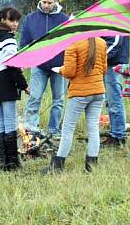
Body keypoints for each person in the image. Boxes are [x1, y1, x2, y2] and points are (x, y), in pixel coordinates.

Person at [45, 37, 107, 173]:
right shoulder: (102, 43)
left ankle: (57, 166)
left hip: (79, 93)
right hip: (98, 91)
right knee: (93, 128)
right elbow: (104, 69)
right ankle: (91, 165)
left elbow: (69, 72)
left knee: (68, 129)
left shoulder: (73, 44)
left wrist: (60, 69)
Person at [85, 0, 130, 147]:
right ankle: (115, 132)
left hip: (114, 64)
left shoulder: (114, 10)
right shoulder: (103, 10)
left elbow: (115, 42)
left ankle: (118, 136)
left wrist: (98, 59)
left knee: (114, 100)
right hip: (106, 63)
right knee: (108, 101)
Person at [0, 7, 30, 171]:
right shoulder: (9, 39)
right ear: (2, 19)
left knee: (2, 124)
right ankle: (13, 164)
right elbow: (12, 66)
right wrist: (24, 85)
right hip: (5, 84)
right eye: (12, 20)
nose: (15, 24)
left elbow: (0, 63)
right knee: (10, 123)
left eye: (17, 21)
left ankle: (4, 163)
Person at [20, 0, 67, 138]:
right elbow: (24, 43)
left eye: (49, 3)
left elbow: (71, 44)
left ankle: (54, 131)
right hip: (39, 65)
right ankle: (32, 129)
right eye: (44, 2)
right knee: (34, 97)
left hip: (59, 66)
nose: (46, 5)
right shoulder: (30, 18)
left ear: (55, 2)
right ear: (40, 0)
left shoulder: (64, 19)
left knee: (58, 99)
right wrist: (23, 60)